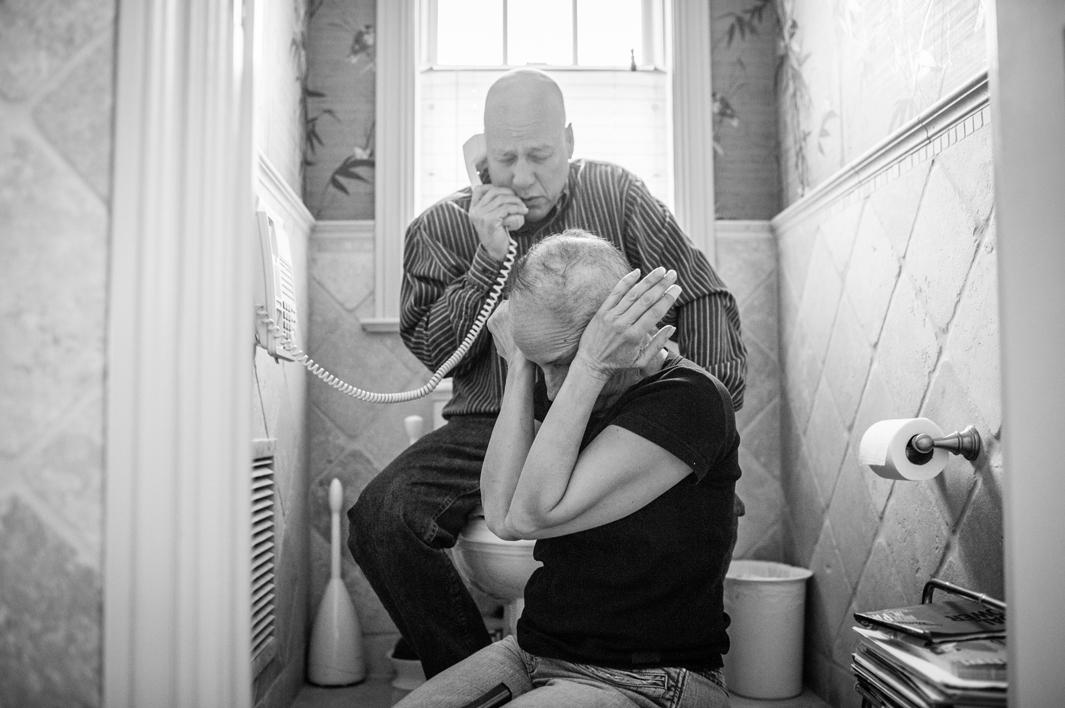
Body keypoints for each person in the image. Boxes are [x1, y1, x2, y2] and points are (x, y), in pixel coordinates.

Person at [348, 67, 746, 678]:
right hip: (490, 421)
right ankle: (474, 668)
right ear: (480, 155)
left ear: (569, 141)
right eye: (505, 159)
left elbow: (698, 294)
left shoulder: (618, 195)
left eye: (540, 155)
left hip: (615, 412)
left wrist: (700, 432)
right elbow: (434, 349)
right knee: (381, 518)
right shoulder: (437, 228)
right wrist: (486, 260)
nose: (522, 177)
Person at [395, 231, 740, 707]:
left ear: (622, 328)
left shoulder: (688, 399)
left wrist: (593, 363)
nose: (553, 388)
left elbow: (529, 517)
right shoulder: (564, 382)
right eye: (541, 365)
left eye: (562, 362)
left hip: (650, 676)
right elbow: (500, 513)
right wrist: (519, 363)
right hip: (532, 651)